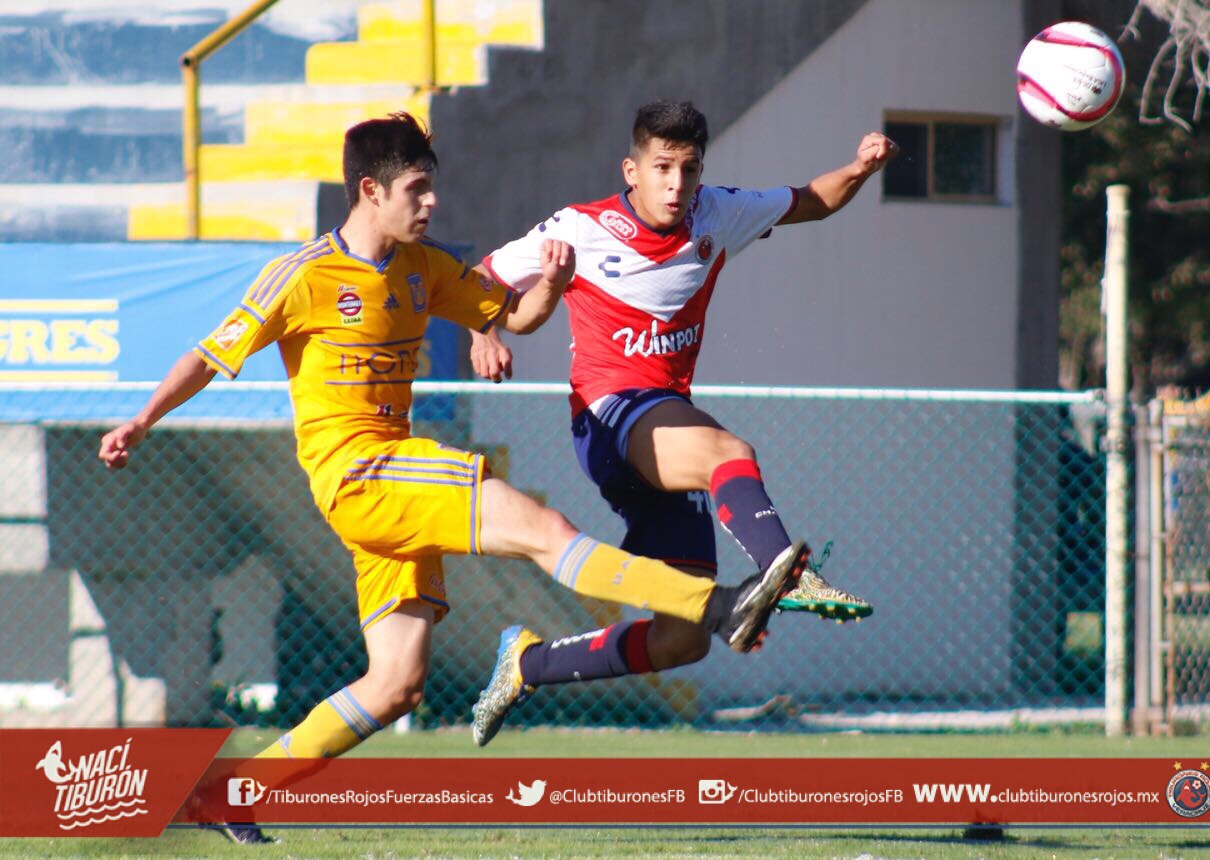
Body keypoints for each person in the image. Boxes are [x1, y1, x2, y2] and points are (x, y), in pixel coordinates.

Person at [97, 113, 808, 843]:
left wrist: (555, 287)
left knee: (395, 683)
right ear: (370, 191)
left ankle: (231, 793)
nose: (431, 203)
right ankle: (718, 606)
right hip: (360, 473)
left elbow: (515, 316)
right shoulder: (305, 274)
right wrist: (141, 421)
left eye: (432, 187)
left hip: (392, 488)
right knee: (544, 531)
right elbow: (208, 354)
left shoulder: (424, 266)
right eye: (417, 189)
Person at [466, 100, 895, 746]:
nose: (675, 184)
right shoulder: (580, 228)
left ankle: (527, 664)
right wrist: (484, 331)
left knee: (681, 640)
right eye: (661, 167)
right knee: (727, 449)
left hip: (661, 426)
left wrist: (860, 170)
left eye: (688, 169)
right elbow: (479, 278)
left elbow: (811, 201)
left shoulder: (716, 213)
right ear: (631, 170)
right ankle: (787, 567)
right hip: (609, 420)